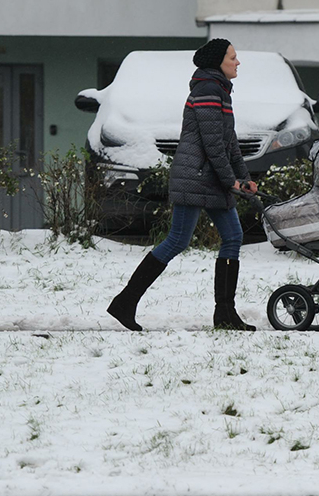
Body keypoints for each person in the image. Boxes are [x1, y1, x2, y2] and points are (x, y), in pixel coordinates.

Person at [107, 38, 258, 331]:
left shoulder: (221, 92)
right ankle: (125, 302)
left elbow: (230, 144)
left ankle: (225, 313)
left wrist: (244, 178)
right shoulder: (208, 91)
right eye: (233, 58)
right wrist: (232, 182)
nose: (238, 62)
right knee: (178, 240)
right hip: (197, 177)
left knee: (232, 236)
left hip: (210, 178)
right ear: (218, 63)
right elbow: (213, 146)